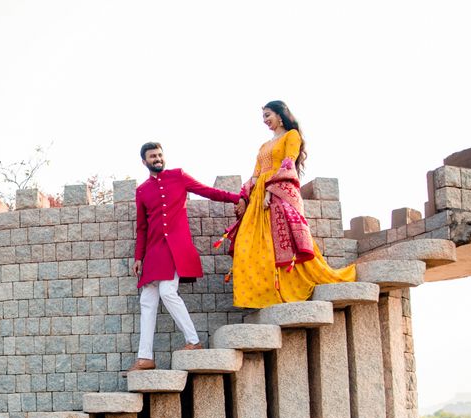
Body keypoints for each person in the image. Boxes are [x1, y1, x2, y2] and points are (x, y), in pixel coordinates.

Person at [224, 101, 355, 308]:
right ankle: (262, 296)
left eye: (268, 115)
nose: (266, 121)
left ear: (280, 114)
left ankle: (282, 292)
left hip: (278, 194)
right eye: (264, 118)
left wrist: (270, 190)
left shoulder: (291, 136)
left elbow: (288, 164)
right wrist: (243, 196)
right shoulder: (264, 145)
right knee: (247, 245)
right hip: (259, 198)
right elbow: (255, 174)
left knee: (277, 245)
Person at [126, 142, 241, 373]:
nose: (157, 158)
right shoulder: (142, 191)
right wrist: (138, 257)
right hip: (154, 251)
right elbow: (142, 228)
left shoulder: (178, 176)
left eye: (159, 155)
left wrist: (236, 198)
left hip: (175, 248)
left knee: (168, 291)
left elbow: (207, 191)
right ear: (144, 161)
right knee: (147, 301)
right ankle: (145, 358)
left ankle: (193, 341)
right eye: (152, 156)